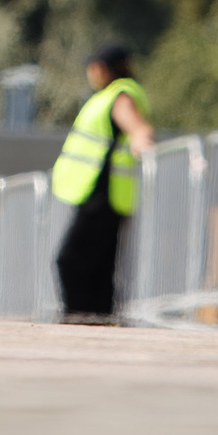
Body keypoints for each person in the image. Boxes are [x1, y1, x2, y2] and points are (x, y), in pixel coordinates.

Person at [51, 43, 155, 322]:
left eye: (96, 65)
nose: (91, 71)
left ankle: (80, 320)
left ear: (108, 68)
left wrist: (142, 140)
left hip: (102, 197)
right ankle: (98, 322)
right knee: (100, 269)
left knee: (70, 262)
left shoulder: (121, 95)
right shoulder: (111, 95)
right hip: (103, 196)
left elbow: (138, 128)